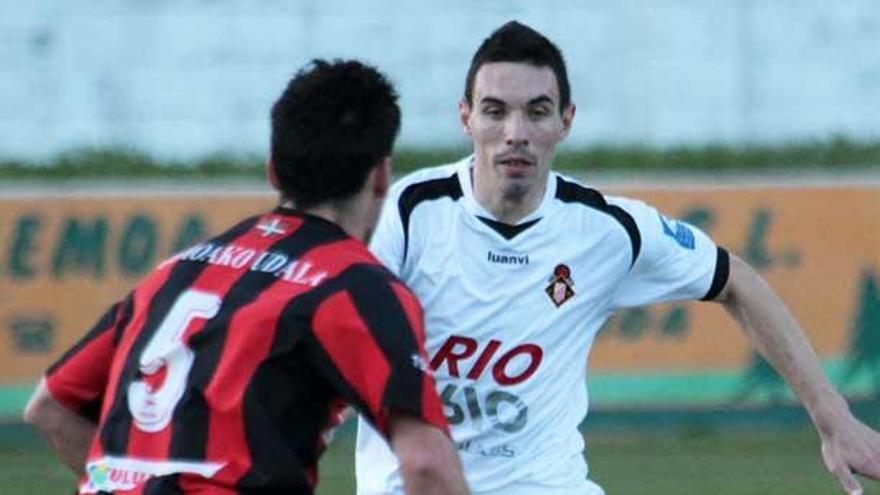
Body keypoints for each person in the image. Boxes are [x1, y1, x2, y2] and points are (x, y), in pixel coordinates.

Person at [354, 20, 880, 495]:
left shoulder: (608, 230)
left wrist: (832, 416)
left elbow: (735, 279)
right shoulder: (412, 210)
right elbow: (344, 334)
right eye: (495, 111)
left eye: (537, 112)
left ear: (566, 121)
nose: (515, 132)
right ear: (466, 118)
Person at [24, 59, 469, 495]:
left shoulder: (179, 270)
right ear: (380, 176)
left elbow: (49, 408)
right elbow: (427, 465)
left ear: (273, 168)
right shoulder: (352, 284)